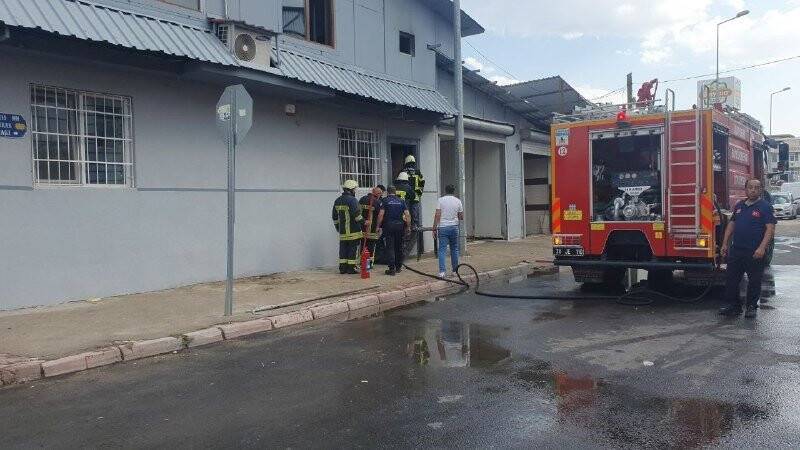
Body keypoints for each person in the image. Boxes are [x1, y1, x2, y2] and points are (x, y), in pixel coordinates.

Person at [718, 178, 776, 318]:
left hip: (754, 251)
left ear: (761, 190)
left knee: (754, 280)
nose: (753, 190)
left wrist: (762, 248)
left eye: (756, 187)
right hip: (737, 250)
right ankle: (734, 306)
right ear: (746, 189)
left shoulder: (766, 207)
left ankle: (751, 306)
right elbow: (731, 225)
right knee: (732, 279)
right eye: (750, 187)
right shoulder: (739, 206)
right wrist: (725, 244)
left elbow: (770, 229)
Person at [376, 185, 411, 276]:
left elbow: (381, 215)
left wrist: (378, 226)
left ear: (387, 192)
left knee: (390, 247)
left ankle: (391, 269)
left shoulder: (385, 201)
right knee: (398, 247)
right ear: (395, 192)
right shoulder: (401, 201)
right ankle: (398, 267)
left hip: (389, 226)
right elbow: (407, 215)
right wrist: (408, 227)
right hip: (400, 226)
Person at [332, 179, 364, 274]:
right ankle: (351, 268)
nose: (355, 191)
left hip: (343, 232)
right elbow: (357, 215)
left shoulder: (337, 200)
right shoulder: (353, 200)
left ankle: (342, 268)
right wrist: (364, 222)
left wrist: (338, 228)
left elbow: (334, 217)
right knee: (353, 250)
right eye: (354, 189)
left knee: (343, 250)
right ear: (351, 189)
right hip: (354, 231)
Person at [432, 185, 464, 278]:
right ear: (454, 191)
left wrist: (434, 228)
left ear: (445, 191)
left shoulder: (440, 200)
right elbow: (461, 217)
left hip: (443, 227)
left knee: (442, 250)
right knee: (454, 249)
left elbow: (437, 215)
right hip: (454, 227)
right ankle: (455, 271)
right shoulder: (458, 201)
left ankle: (442, 272)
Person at [359, 185, 385, 266]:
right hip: (372, 230)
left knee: (362, 247)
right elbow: (380, 216)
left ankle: (362, 263)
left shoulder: (362, 199)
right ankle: (368, 265)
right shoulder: (378, 202)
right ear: (378, 194)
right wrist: (379, 227)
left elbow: (358, 213)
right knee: (370, 248)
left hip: (362, 229)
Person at [403, 155, 425, 229]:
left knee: (406, 210)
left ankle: (407, 225)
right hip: (415, 195)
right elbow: (422, 182)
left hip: (406, 195)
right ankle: (414, 225)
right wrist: (420, 192)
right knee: (414, 211)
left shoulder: (403, 171)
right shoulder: (417, 171)